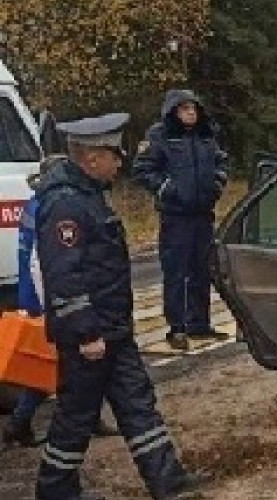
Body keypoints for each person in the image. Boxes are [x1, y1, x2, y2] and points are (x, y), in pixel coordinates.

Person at [33, 112, 206, 500]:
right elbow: (65, 277)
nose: (120, 161)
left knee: (138, 404)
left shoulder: (90, 197)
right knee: (76, 418)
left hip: (114, 330)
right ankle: (55, 491)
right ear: (91, 158)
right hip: (90, 338)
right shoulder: (66, 206)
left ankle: (168, 482)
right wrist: (87, 333)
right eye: (113, 153)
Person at [1, 160, 118, 450]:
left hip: (43, 296)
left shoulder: (36, 204)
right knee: (57, 364)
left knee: (64, 364)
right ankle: (19, 423)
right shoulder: (52, 206)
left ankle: (28, 423)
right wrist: (50, 306)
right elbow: (42, 264)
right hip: (50, 299)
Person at [133, 89, 229, 350]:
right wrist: (166, 189)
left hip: (203, 214)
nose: (191, 113)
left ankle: (200, 323)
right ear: (174, 111)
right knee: (176, 273)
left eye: (194, 108)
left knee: (202, 270)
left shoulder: (206, 134)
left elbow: (221, 161)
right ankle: (176, 328)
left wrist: (217, 182)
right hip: (176, 216)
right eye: (185, 108)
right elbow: (142, 169)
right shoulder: (160, 136)